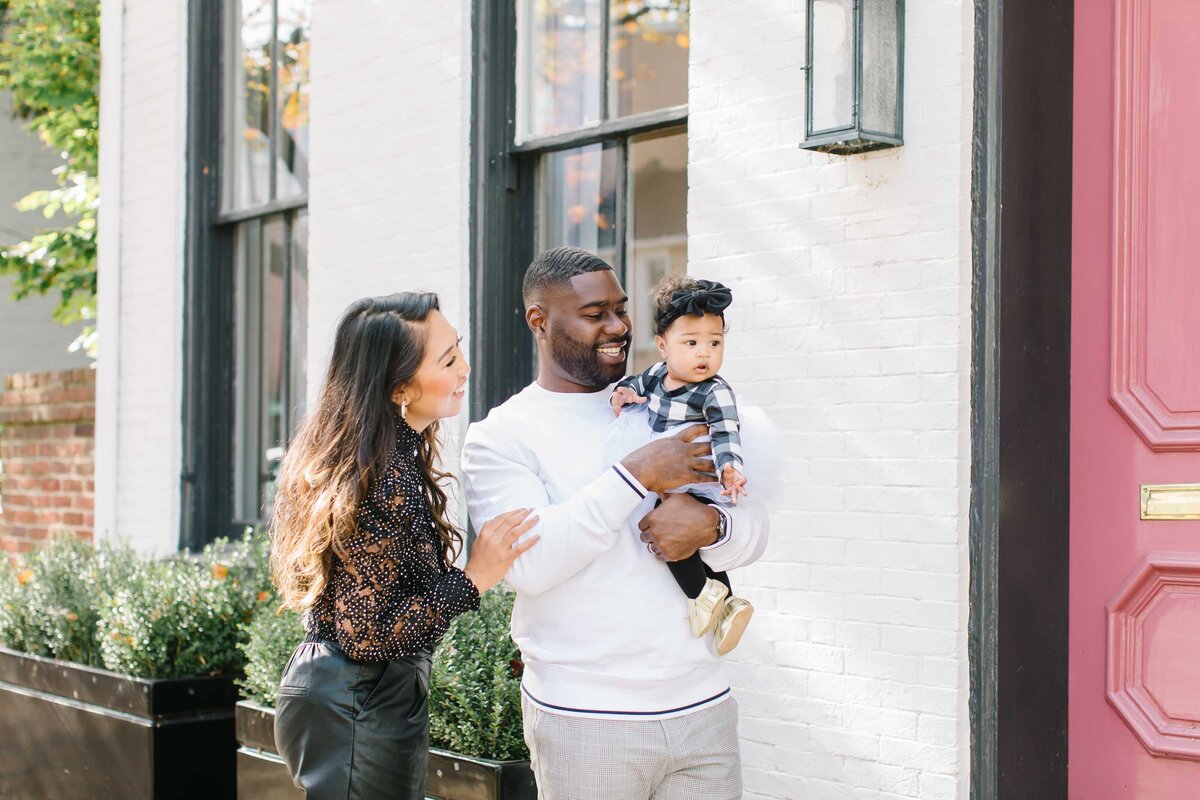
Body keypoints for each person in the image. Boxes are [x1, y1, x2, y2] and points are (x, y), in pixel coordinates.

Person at [462, 247, 769, 800]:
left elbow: (754, 530)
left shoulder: (671, 403)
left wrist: (713, 529)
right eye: (595, 312)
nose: (618, 327)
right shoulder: (501, 436)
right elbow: (530, 566)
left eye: (621, 309)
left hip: (704, 708)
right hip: (587, 716)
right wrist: (637, 474)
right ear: (539, 321)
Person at [269, 293, 539, 800]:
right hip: (358, 702)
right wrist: (474, 576)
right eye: (448, 359)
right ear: (399, 389)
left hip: (359, 698)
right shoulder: (382, 473)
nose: (466, 366)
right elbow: (366, 634)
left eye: (458, 349)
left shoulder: (386, 454)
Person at [609, 274, 755, 656]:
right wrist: (624, 392)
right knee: (687, 535)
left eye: (715, 342)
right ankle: (729, 604)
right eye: (691, 343)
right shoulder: (659, 375)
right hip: (673, 472)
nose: (704, 353)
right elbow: (638, 383)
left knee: (668, 525)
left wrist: (730, 467)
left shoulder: (714, 391)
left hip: (699, 474)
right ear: (663, 346)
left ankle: (701, 594)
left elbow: (726, 431)